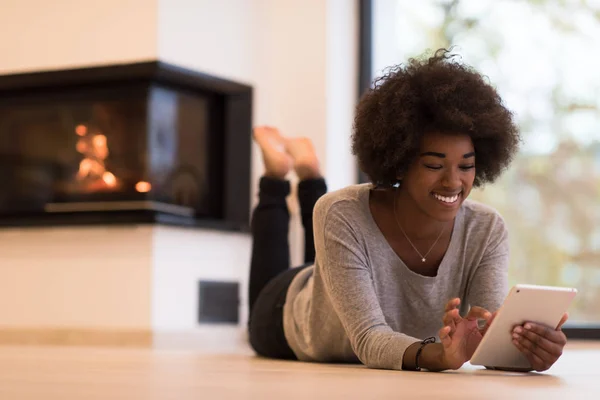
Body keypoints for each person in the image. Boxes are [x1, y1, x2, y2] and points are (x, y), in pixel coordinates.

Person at [247, 49, 569, 372]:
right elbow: (369, 339)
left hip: (333, 275)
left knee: (322, 249)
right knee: (299, 251)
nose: (452, 182)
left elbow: (486, 333)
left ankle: (308, 171)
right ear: (399, 163)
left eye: (466, 166)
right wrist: (438, 357)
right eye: (434, 165)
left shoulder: (486, 230)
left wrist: (524, 349)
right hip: (285, 313)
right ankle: (277, 175)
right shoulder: (342, 213)